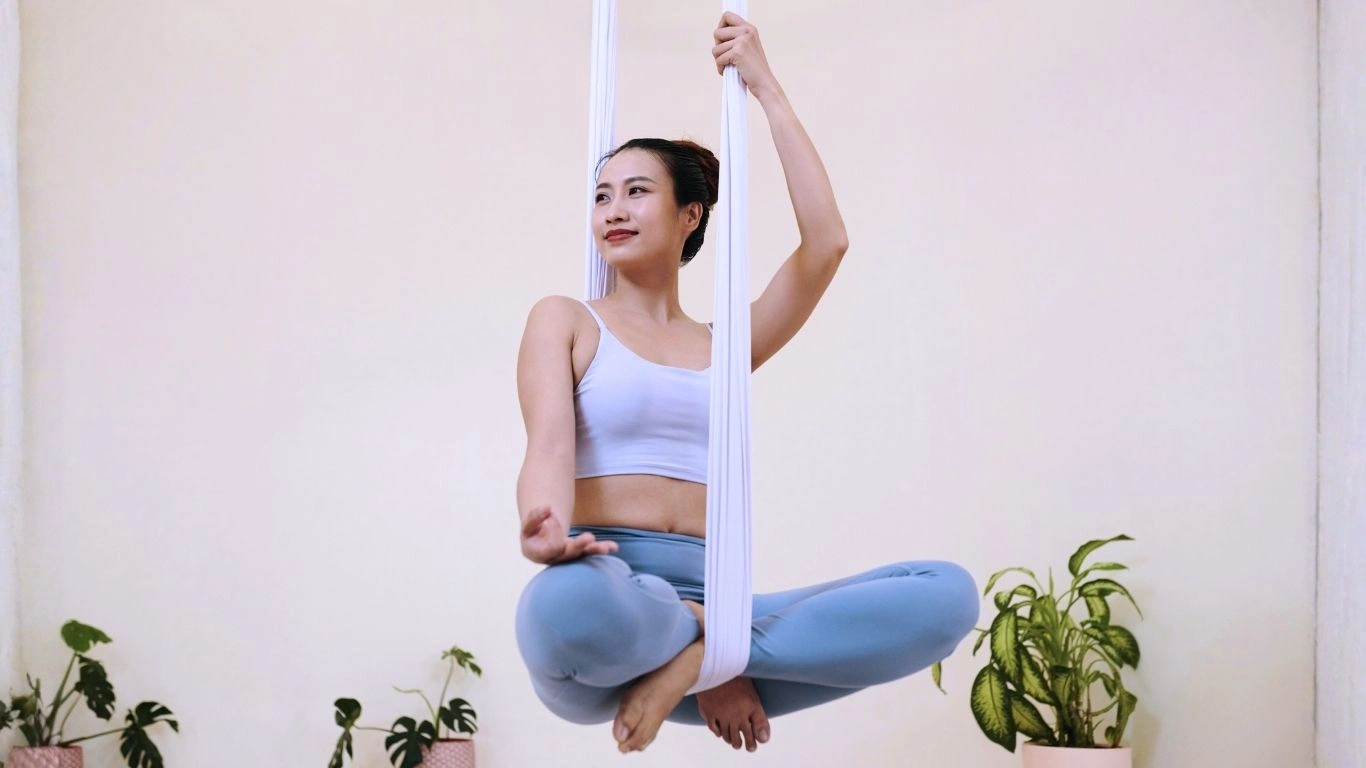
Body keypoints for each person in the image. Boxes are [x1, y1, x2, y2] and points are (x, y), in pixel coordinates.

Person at [514, 11, 979, 755]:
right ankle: (705, 644)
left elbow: (826, 244)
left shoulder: (724, 345)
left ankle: (701, 654)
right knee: (562, 609)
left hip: (719, 607)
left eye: (635, 192)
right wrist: (542, 526)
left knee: (947, 595)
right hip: (610, 607)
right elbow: (547, 445)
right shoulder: (565, 319)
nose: (612, 211)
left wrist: (764, 86)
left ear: (689, 214)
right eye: (601, 196)